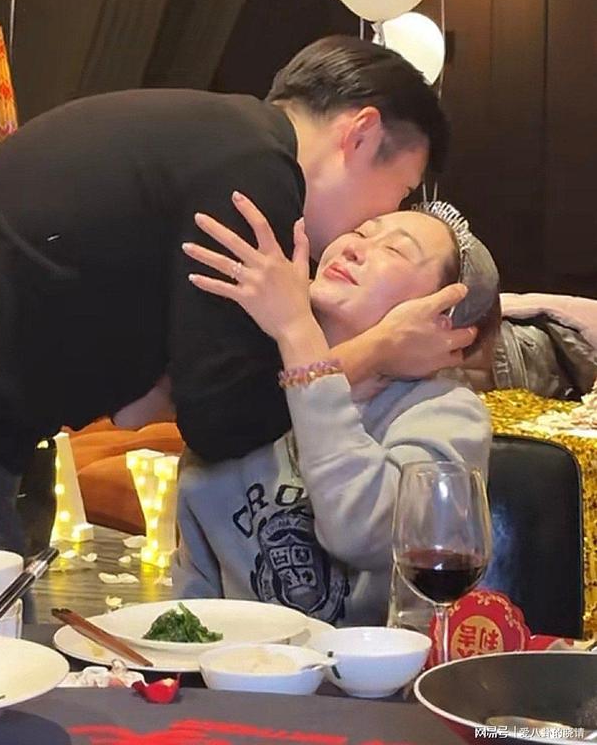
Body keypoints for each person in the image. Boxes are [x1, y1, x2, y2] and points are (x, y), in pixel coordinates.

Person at [0, 35, 472, 553]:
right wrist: (373, 351)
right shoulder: (254, 172)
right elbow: (222, 421)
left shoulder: (221, 139)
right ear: (361, 135)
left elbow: (155, 403)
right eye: (401, 191)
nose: (377, 219)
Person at [172, 200, 498, 625]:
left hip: (371, 667)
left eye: (395, 250)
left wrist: (298, 331)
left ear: (441, 316)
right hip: (237, 665)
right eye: (360, 232)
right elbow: (194, 595)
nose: (354, 248)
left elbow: (363, 533)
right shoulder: (245, 396)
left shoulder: (446, 414)